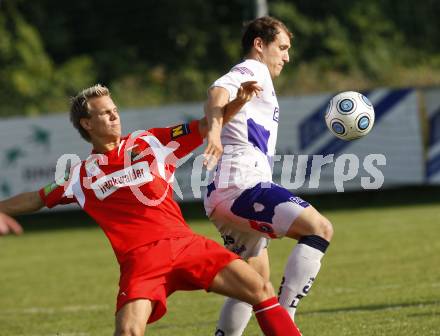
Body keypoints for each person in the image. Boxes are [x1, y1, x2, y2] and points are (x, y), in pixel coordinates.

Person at [0, 84, 302, 336]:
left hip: (184, 244)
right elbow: (36, 198)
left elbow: (205, 125)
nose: (114, 115)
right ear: (87, 124)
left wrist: (239, 101)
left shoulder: (152, 141)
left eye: (114, 109)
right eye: (104, 113)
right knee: (129, 331)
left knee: (260, 288)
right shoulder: (81, 175)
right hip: (142, 261)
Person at [203, 16, 334, 335]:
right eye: (283, 47)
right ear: (259, 45)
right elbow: (218, 91)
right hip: (240, 186)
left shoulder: (259, 78)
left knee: (254, 286)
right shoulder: (253, 68)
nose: (287, 57)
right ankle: (286, 319)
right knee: (319, 228)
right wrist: (214, 133)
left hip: (223, 192)